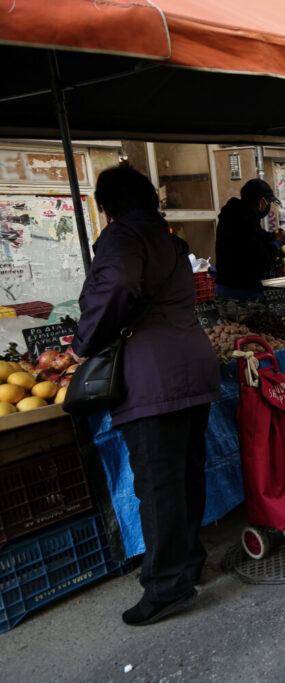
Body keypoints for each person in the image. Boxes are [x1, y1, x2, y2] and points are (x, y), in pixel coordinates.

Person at [72, 164, 220, 625]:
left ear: (109, 205)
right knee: (186, 474)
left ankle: (167, 586)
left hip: (153, 376)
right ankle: (188, 563)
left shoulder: (122, 238)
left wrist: (82, 345)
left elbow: (115, 286)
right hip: (192, 365)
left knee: (158, 484)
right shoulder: (170, 240)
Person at [213, 178, 285, 320]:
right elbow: (260, 259)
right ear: (262, 202)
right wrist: (276, 244)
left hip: (224, 294)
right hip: (242, 300)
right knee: (251, 340)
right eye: (269, 202)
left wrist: (272, 236)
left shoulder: (234, 217)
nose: (268, 207)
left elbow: (253, 238)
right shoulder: (245, 222)